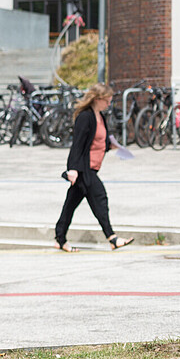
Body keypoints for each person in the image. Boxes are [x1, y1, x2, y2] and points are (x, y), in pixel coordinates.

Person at [55, 83, 133, 252]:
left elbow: (99, 141)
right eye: (107, 101)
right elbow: (78, 144)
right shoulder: (85, 117)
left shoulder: (100, 116)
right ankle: (112, 238)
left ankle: (60, 238)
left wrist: (113, 147)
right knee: (100, 198)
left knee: (71, 204)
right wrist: (73, 169)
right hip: (84, 169)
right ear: (98, 99)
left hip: (91, 168)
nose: (109, 104)